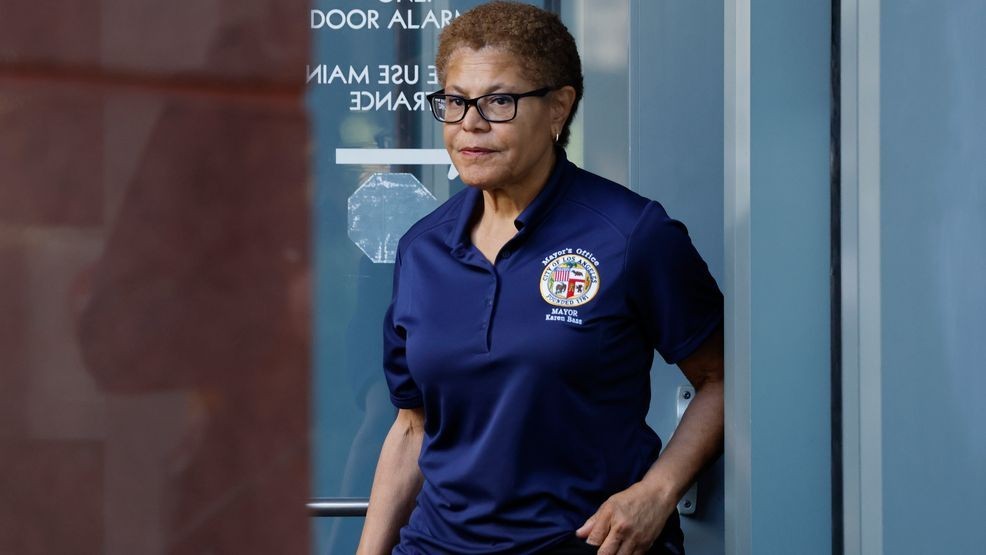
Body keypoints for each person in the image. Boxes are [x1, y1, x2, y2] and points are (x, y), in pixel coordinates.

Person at [357, 2, 724, 554]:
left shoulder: (631, 234)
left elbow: (724, 378)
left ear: (559, 108)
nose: (469, 124)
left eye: (498, 101)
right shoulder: (423, 248)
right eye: (454, 102)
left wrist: (658, 491)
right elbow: (413, 427)